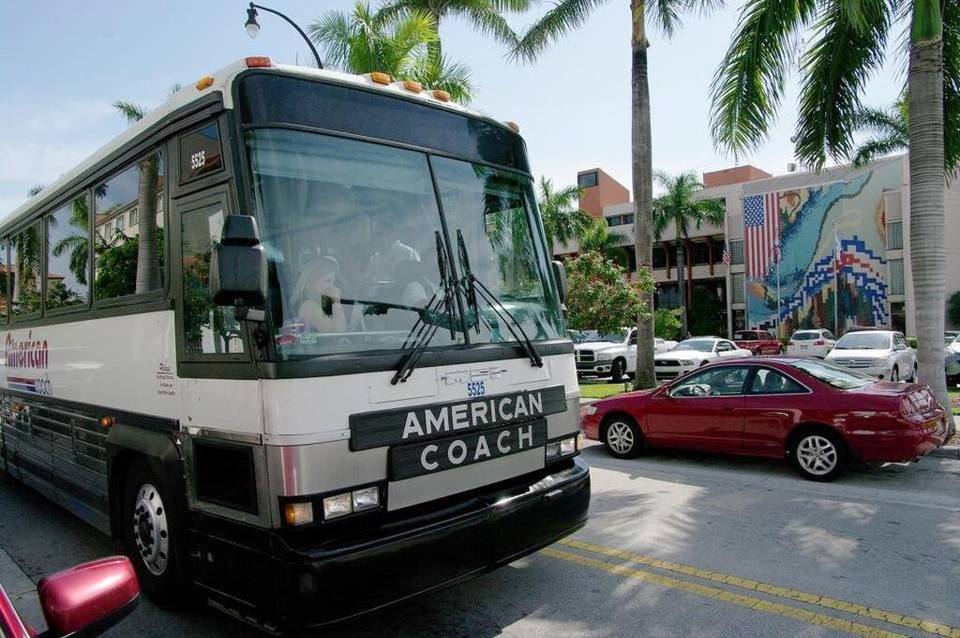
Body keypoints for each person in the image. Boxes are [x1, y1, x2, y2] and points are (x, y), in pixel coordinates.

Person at [294, 257, 346, 333]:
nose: (332, 286)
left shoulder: (318, 303)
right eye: (327, 281)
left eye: (333, 282)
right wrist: (336, 301)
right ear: (311, 281)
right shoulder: (309, 306)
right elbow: (338, 332)